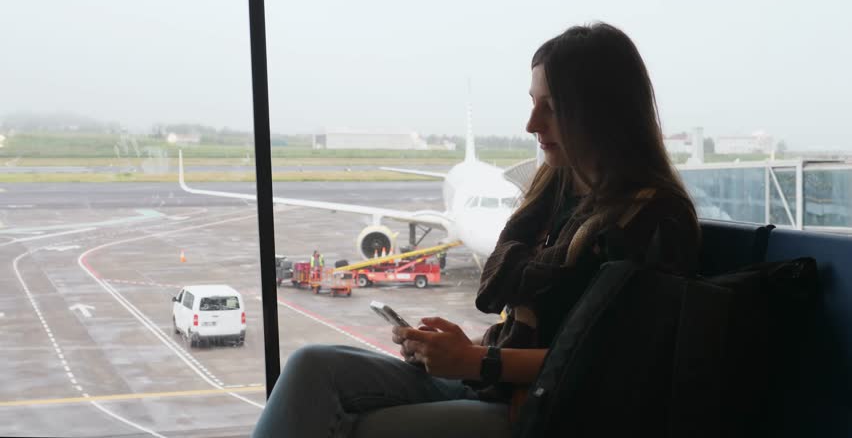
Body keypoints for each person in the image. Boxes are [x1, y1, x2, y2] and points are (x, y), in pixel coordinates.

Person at [251, 22, 701, 438]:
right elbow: (543, 325)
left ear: (601, 114)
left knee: (359, 426)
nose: (531, 125)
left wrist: (475, 360)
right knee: (311, 366)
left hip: (549, 410)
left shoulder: (655, 218)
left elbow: (615, 366)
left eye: (553, 108)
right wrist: (463, 347)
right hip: (493, 380)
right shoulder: (558, 196)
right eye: (532, 103)